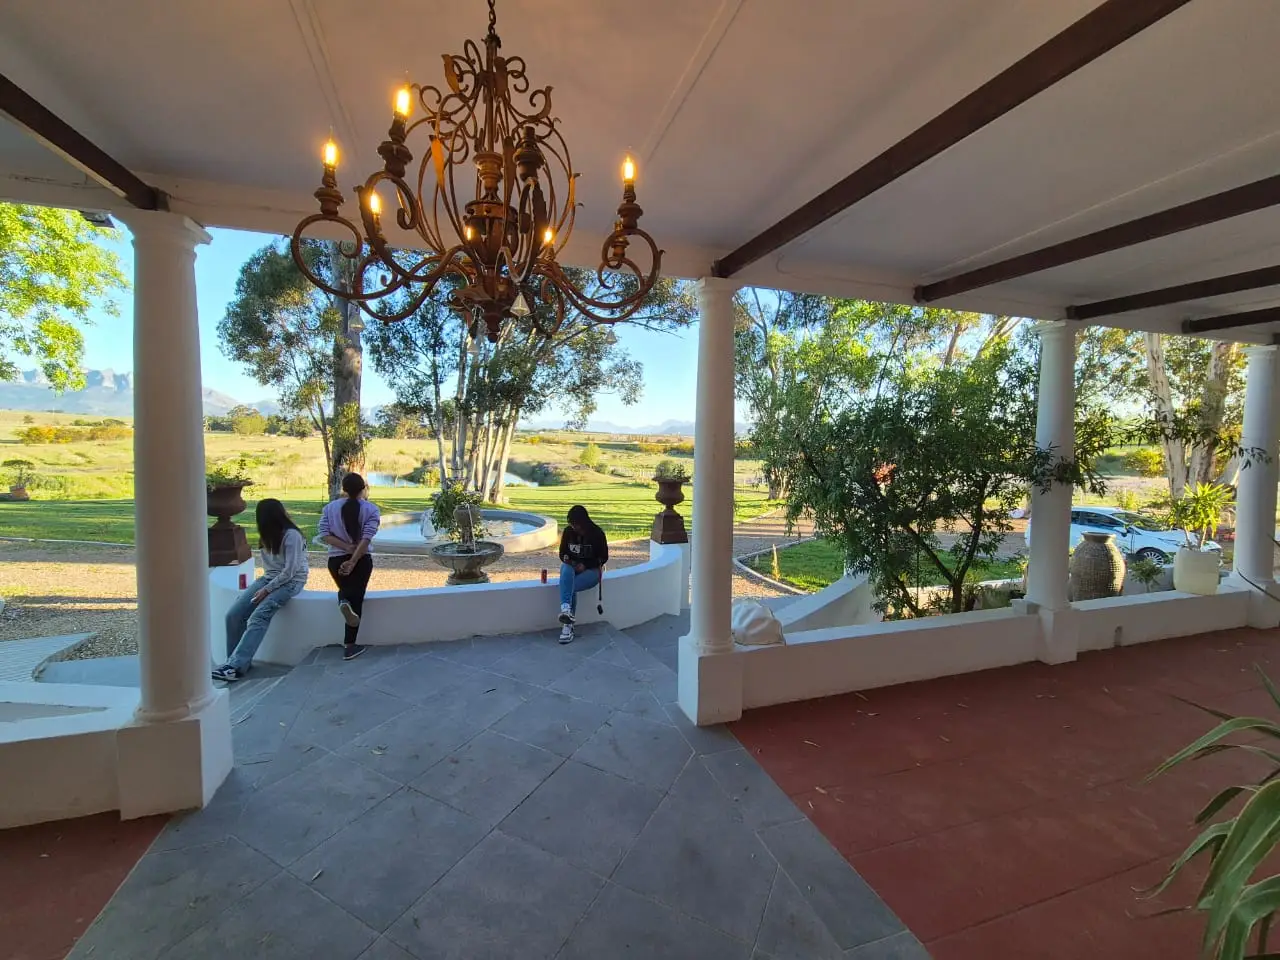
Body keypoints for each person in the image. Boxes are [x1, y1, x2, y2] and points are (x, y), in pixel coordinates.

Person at [212, 499, 309, 682]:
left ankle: (235, 667)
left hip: (292, 582)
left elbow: (290, 571)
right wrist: (265, 586)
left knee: (259, 616)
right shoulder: (268, 535)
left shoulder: (292, 535)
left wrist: (266, 590)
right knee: (233, 615)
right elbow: (270, 571)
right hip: (269, 578)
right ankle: (233, 662)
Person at [316, 472, 380, 660]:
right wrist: (353, 560)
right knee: (356, 598)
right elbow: (366, 539)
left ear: (343, 489)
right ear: (363, 489)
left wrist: (345, 548)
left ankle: (343, 600)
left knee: (347, 592)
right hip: (361, 560)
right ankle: (350, 646)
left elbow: (324, 534)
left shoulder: (329, 508)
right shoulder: (371, 510)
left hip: (335, 559)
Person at [557, 504, 608, 644]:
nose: (574, 528)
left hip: (593, 571)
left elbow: (603, 557)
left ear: (584, 522)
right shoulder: (568, 532)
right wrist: (568, 559)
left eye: (577, 525)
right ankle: (566, 611)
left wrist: (586, 565)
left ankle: (567, 626)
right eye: (572, 524)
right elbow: (562, 553)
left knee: (569, 587)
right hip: (572, 567)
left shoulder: (597, 534)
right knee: (565, 568)